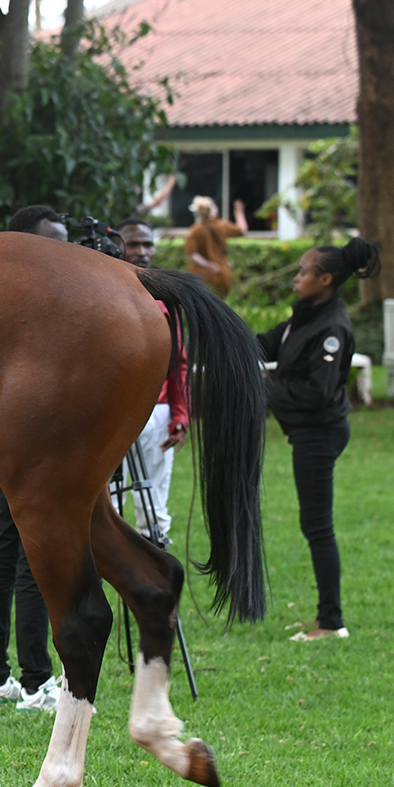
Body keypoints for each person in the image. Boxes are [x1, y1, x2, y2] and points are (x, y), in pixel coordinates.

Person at [256, 237, 380, 642]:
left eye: (304, 272)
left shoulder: (332, 327)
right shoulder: (306, 314)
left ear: (324, 279)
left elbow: (318, 392)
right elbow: (267, 343)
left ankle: (331, 623)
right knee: (314, 525)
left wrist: (263, 387)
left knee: (317, 526)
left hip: (320, 434)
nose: (296, 278)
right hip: (307, 433)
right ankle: (328, 619)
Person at [0, 205, 64, 714]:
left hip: (1, 438)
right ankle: (35, 680)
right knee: (28, 554)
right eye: (52, 243)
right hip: (24, 441)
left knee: (5, 551)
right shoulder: (26, 305)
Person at [113, 218, 188, 545]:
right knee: (109, 505)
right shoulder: (100, 290)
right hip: (112, 413)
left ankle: (155, 570)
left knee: (154, 506)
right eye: (134, 244)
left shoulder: (166, 296)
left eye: (148, 244)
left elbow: (179, 362)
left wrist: (180, 414)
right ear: (118, 245)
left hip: (156, 412)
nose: (142, 252)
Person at [182, 196, 247, 297]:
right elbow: (242, 230)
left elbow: (192, 253)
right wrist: (239, 212)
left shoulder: (195, 230)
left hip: (199, 276)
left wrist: (208, 265)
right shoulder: (222, 226)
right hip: (221, 274)